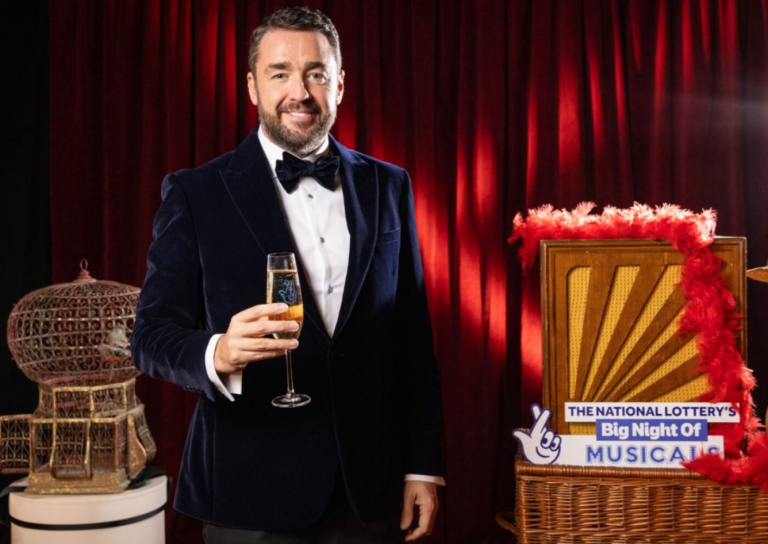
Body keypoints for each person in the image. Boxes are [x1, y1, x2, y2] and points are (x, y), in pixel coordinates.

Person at [131, 7, 445, 543]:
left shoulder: (389, 186)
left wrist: (422, 465)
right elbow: (150, 337)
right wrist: (218, 353)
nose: (299, 92)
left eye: (315, 74)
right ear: (252, 87)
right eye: (279, 73)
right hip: (248, 491)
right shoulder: (196, 193)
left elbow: (412, 339)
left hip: (369, 490)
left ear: (339, 85)